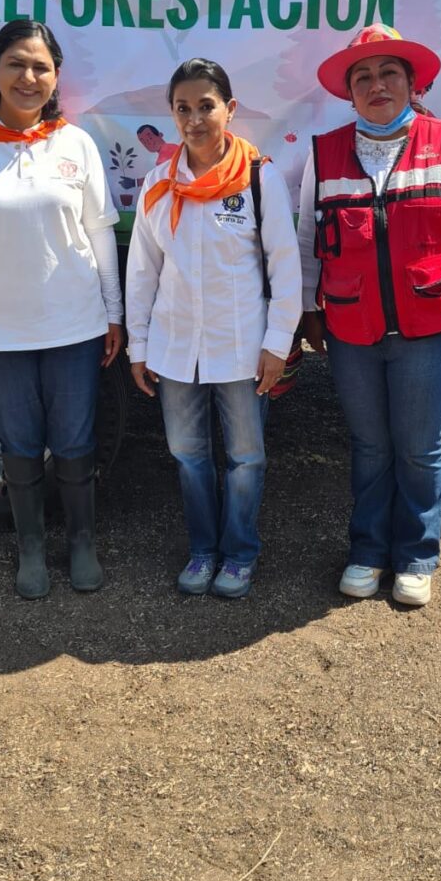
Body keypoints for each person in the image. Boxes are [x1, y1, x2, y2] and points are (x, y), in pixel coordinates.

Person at [298, 24, 441, 607]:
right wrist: (306, 311)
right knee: (369, 446)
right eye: (362, 76)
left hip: (432, 328)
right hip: (351, 330)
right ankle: (367, 550)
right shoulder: (323, 153)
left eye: (389, 72)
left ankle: (416, 554)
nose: (376, 85)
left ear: (412, 82)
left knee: (419, 447)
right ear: (349, 92)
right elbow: (304, 242)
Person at [0, 20, 124, 600]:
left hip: (75, 324)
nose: (28, 77)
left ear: (56, 76)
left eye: (41, 66)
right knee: (18, 442)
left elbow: (100, 232)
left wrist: (113, 313)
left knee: (76, 438)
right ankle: (31, 548)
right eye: (16, 64)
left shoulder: (75, 143)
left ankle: (81, 543)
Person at [126, 58, 302, 598]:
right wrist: (138, 346)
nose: (195, 119)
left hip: (242, 348)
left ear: (230, 109)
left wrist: (277, 344)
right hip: (176, 347)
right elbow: (142, 271)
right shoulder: (158, 185)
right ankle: (203, 552)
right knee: (188, 455)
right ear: (172, 115)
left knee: (246, 457)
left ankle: (240, 554)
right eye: (183, 108)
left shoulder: (257, 178)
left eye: (206, 106)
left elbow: (284, 266)